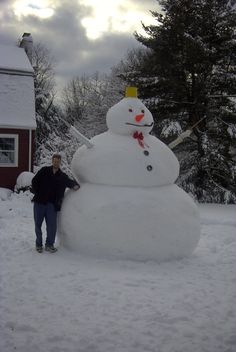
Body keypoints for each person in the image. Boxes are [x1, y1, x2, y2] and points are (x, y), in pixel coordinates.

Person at [31, 154, 80, 253]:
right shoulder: (44, 171)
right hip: (39, 202)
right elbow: (34, 181)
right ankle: (38, 244)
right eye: (54, 161)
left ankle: (49, 245)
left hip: (52, 205)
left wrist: (76, 186)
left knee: (52, 226)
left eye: (58, 161)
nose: (56, 163)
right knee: (38, 224)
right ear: (52, 161)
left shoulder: (62, 176)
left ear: (60, 162)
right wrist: (39, 192)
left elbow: (70, 183)